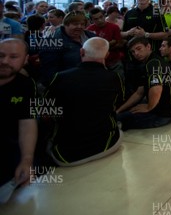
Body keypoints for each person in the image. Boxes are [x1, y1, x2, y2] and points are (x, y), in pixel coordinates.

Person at [45, 37, 124, 166]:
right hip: (108, 145)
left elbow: (45, 113)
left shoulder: (59, 77)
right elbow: (116, 105)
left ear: (81, 52)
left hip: (66, 156)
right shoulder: (114, 77)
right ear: (107, 55)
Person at [116, 37, 171, 130]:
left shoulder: (153, 63)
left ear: (148, 47)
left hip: (161, 115)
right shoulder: (150, 62)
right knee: (121, 114)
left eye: (139, 48)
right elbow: (139, 93)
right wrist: (119, 110)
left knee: (117, 121)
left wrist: (149, 107)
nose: (136, 53)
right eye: (133, 52)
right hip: (163, 110)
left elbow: (156, 88)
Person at [0, 39, 37, 188]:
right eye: (0, 55)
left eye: (13, 57)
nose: (5, 61)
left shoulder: (25, 85)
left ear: (25, 59)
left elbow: (27, 121)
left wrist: (27, 160)